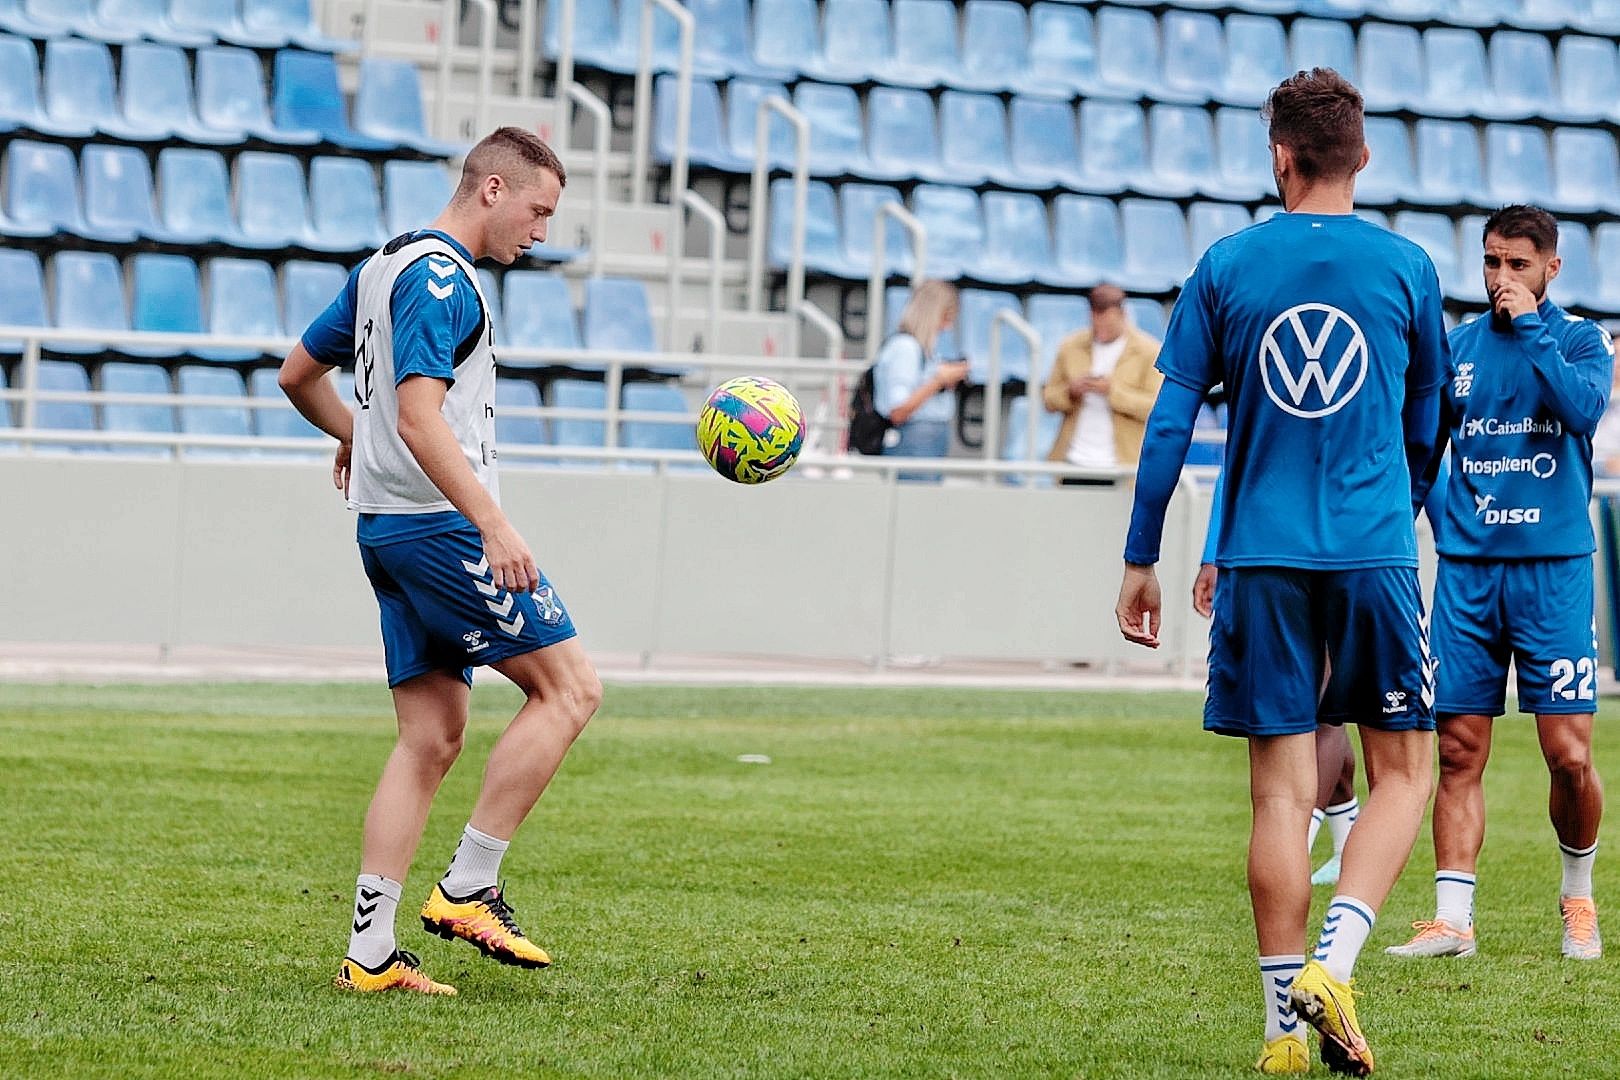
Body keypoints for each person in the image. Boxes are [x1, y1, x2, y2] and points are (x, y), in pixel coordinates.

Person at [1114, 69, 1448, 1076]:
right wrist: (1407, 504)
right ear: (1364, 158)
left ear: (1280, 157)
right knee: (1404, 769)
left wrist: (1142, 558)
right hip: (1371, 550)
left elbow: (1170, 421)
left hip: (1258, 554)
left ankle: (1280, 1040)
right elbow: (1427, 417)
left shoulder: (1226, 266)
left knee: (1278, 797)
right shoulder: (1408, 268)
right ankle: (1336, 966)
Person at [277, 126, 603, 996]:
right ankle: (468, 887)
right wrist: (493, 523)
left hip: (385, 528)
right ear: (491, 190)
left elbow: (296, 373)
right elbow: (421, 417)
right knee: (570, 690)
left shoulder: (382, 265)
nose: (540, 232)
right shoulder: (439, 279)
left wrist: (357, 434)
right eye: (537, 211)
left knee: (429, 737)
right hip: (437, 529)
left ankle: (371, 954)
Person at [1388, 205, 1613, 964]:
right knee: (1456, 749)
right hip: (1468, 574)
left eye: (1517, 264)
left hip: (1553, 574)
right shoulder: (1457, 350)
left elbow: (1581, 410)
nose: (1500, 278)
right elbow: (1425, 454)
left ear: (1551, 268)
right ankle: (1454, 919)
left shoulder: (1582, 340)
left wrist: (1533, 328)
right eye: (1491, 262)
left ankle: (1577, 898)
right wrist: (1393, 538)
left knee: (1569, 755)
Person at [1193, 481, 1361, 890]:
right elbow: (1235, 463)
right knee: (1312, 709)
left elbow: (1423, 455)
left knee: (1321, 711)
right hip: (1271, 552)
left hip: (1338, 550)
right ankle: (1344, 846)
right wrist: (1213, 553)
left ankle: (1293, 843)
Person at [1041, 283, 1164, 484]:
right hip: (1072, 461)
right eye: (1096, 322)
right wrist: (1071, 392)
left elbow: (1155, 407)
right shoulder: (1070, 346)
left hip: (1122, 467)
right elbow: (1048, 399)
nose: (1101, 330)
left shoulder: (1149, 351)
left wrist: (1112, 392)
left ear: (1123, 315)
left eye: (1108, 324)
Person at [872, 280, 970, 476]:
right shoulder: (905, 348)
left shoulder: (922, 350)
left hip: (927, 444)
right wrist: (938, 381)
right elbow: (898, 410)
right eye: (946, 318)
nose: (947, 328)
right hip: (913, 444)